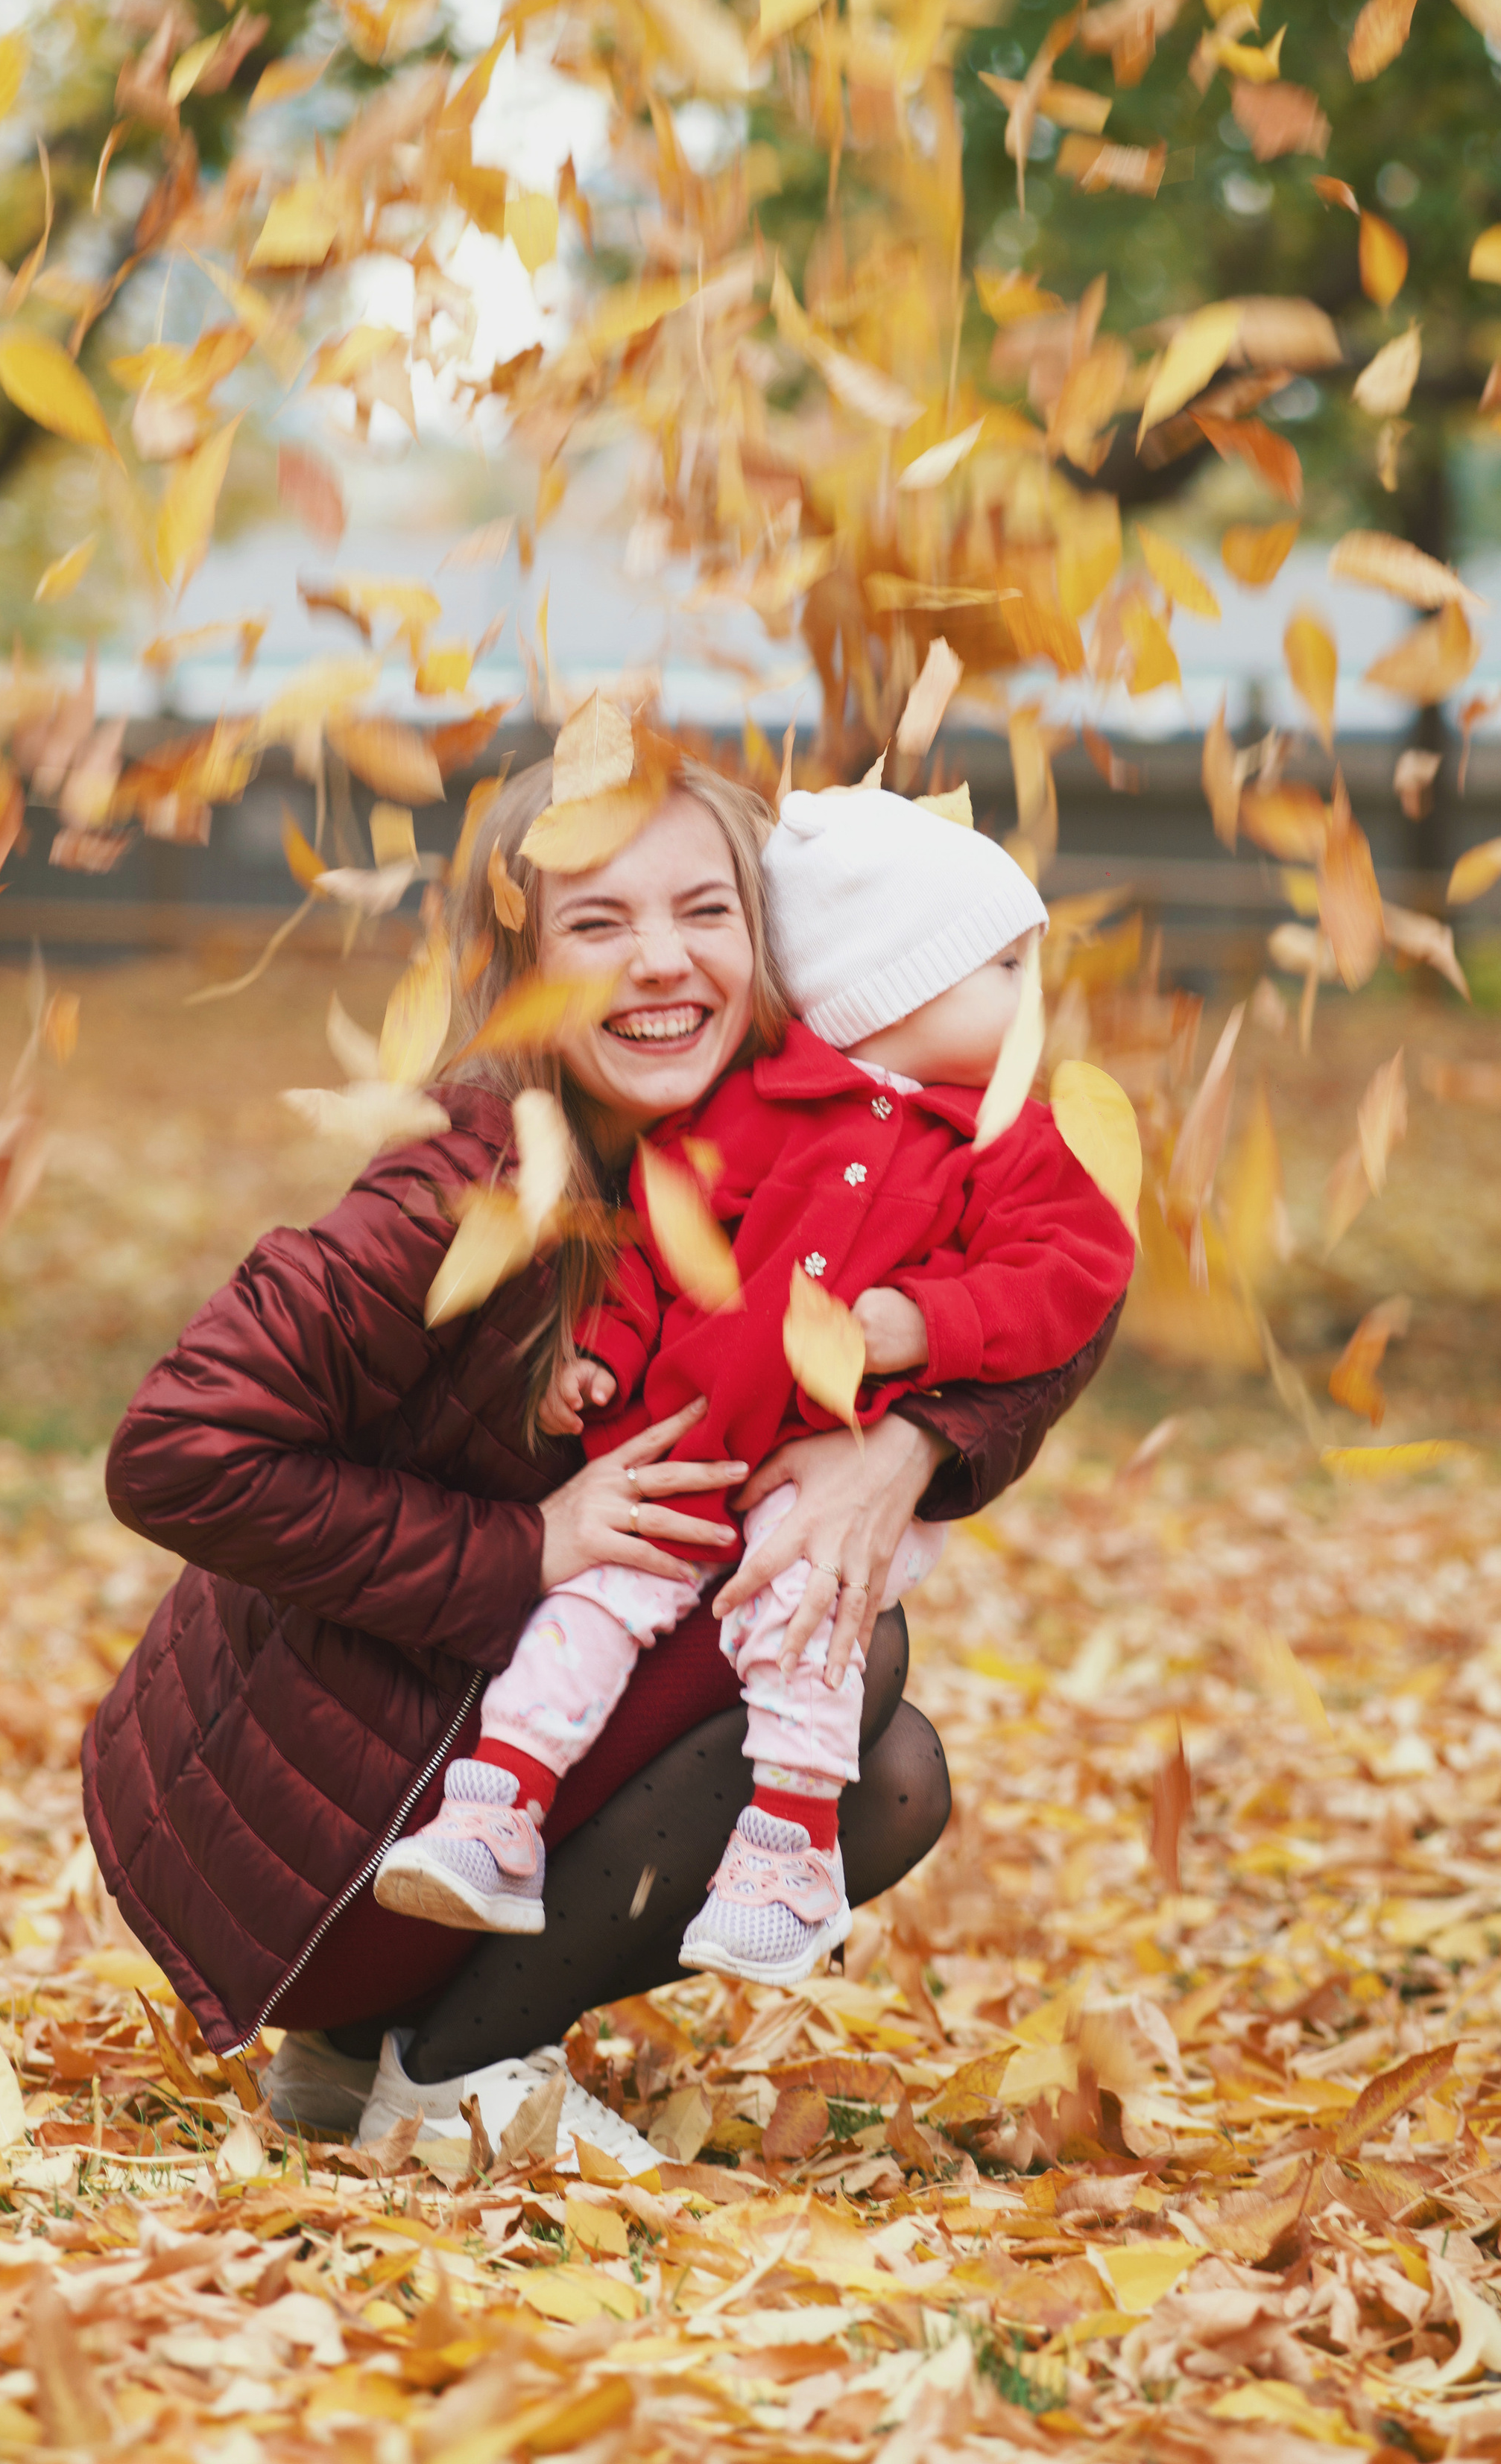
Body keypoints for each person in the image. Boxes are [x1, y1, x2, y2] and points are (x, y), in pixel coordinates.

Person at [83, 757, 1125, 2162]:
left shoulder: (797, 1127)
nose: (662, 961)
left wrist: (908, 1444)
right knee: (849, 1645)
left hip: (437, 1764)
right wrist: (528, 1550)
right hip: (318, 1839)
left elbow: (1069, 1285)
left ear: (775, 943)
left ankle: (358, 2065)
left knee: (892, 1775)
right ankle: (452, 2069)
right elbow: (173, 1452)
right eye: (597, 924)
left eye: (706, 910)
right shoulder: (460, 1190)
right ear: (518, 967)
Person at [373, 787, 1134, 1990]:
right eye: (1002, 966)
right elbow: (651, 1248)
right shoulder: (752, 1104)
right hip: (677, 1443)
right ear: (896, 985)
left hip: (807, 1467)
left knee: (808, 1617)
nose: (1033, 997)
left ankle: (787, 1850)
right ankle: (494, 1811)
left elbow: (1079, 1275)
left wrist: (923, 1327)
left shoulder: (1009, 1145)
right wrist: (603, 1358)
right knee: (589, 1610)